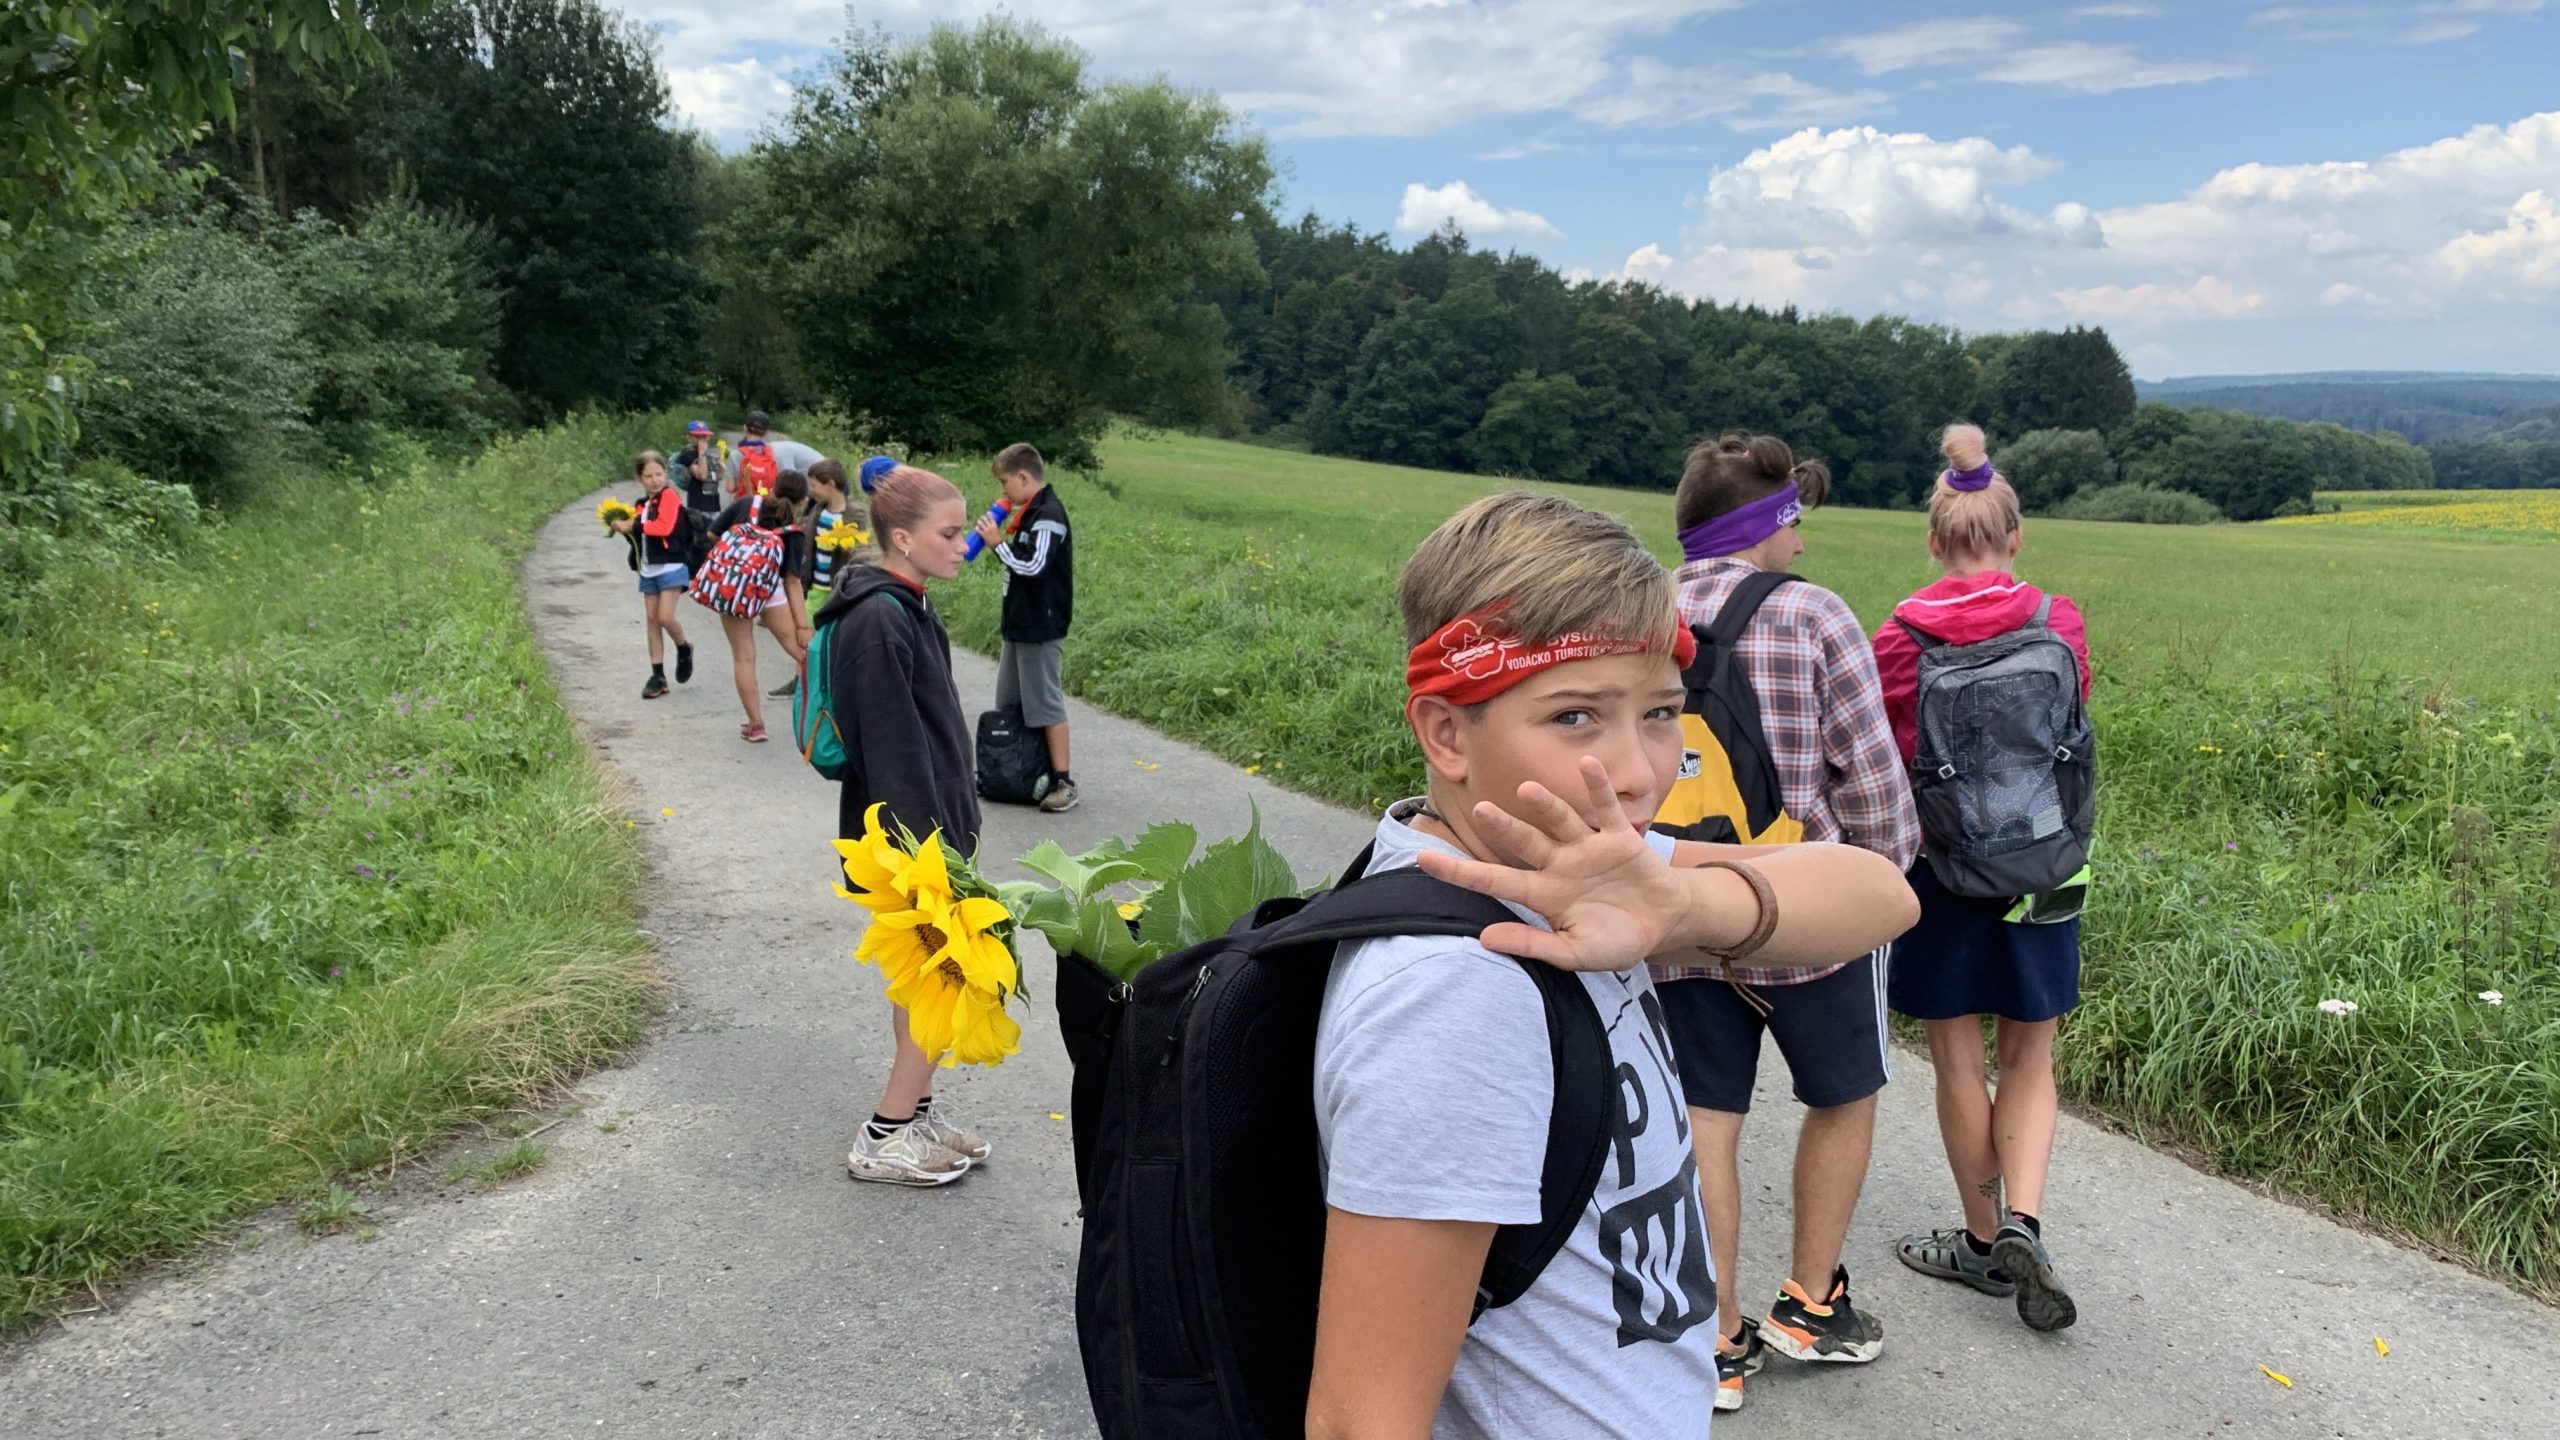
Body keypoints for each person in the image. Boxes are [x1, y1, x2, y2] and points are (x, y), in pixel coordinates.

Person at [1307, 491, 1919, 1440]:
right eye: (1575, 716)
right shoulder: (1456, 992)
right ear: (1446, 733)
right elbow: (1360, 1421)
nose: (1638, 772)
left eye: (1663, 712)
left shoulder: (1586, 867)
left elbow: (1879, 893)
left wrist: (1684, 906)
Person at [1653, 432, 1920, 1410]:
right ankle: (1809, 1304)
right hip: (1808, 916)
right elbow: (1875, 788)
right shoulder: (1814, 615)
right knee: (1844, 1095)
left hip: (1682, 912)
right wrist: (1877, 886)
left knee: (1704, 1121)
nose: (1801, 543)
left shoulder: (1640, 609)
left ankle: (1717, 1345)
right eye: (1793, 523)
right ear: (1763, 525)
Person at [1873, 424, 2093, 1334]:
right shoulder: (2058, 621)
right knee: (2031, 1055)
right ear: (2016, 536)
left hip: (1944, 868)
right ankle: (2024, 1224)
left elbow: (1893, 757)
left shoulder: (1898, 638)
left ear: (1934, 541)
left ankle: (1978, 1239)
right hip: (2049, 863)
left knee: (1959, 1057)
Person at [816, 465, 992, 1186]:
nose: (962, 545)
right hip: (909, 842)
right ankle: (885, 1135)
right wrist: (930, 856)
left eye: (962, 531)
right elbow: (892, 752)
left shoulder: (909, 604)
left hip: (933, 830)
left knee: (920, 981)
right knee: (939, 980)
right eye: (948, 534)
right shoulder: (880, 619)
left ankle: (917, 1114)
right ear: (902, 538)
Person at [977, 442, 1077, 812]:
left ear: (1022, 477)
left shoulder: (1048, 514)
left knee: (1045, 704)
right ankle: (1018, 773)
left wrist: (997, 545)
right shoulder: (1029, 512)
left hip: (1041, 625)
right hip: (1018, 623)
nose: (1003, 491)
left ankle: (1063, 782)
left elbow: (1034, 566)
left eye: (1005, 482)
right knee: (1009, 703)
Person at [703, 469, 809, 741]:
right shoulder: (793, 532)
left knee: (744, 656)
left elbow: (712, 533)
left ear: (773, 488)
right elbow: (793, 582)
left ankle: (756, 725)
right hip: (771, 591)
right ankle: (832, 712)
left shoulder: (746, 504)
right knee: (804, 655)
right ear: (802, 501)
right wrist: (802, 626)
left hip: (735, 588)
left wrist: (738, 557)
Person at [607, 451, 695, 700]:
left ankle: (683, 647)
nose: (655, 480)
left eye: (659, 474)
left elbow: (664, 527)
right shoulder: (641, 505)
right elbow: (640, 536)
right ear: (640, 478)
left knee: (665, 616)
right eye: (648, 476)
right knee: (652, 620)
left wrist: (633, 525)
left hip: (672, 564)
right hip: (649, 568)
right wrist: (623, 527)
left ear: (665, 474)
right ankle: (658, 676)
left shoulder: (670, 497)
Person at [727, 409, 827, 500]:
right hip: (766, 502)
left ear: (744, 428)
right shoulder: (771, 453)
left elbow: (730, 488)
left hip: (744, 503)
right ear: (766, 433)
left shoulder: (735, 454)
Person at [672, 421, 724, 517]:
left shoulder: (710, 456)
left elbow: (715, 478)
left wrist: (721, 467)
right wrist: (702, 453)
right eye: (698, 437)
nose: (702, 440)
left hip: (713, 504)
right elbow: (702, 475)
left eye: (704, 437)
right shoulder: (687, 456)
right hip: (698, 506)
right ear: (689, 438)